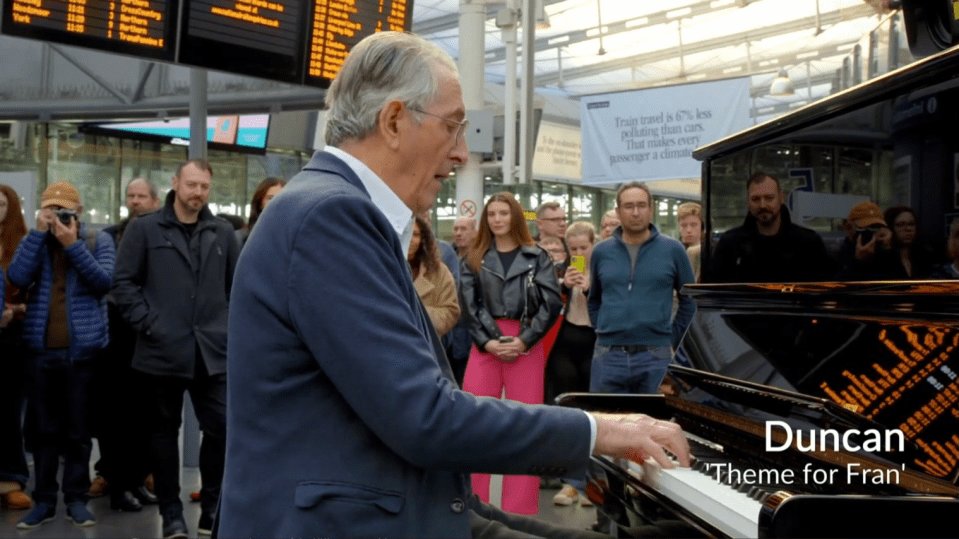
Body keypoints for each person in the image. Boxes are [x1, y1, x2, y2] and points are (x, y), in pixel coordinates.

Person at [218, 31, 690, 539]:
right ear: (395, 120)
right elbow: (426, 419)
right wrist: (603, 430)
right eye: (454, 127)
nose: (463, 153)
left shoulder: (331, 208)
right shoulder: (331, 215)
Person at [112, 158, 240, 538]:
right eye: (191, 185)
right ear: (175, 184)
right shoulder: (145, 229)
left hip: (212, 352)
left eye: (204, 186)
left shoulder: (221, 233)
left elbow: (236, 290)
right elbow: (123, 284)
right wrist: (151, 324)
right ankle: (171, 512)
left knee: (223, 428)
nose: (197, 193)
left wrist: (226, 328)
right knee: (163, 434)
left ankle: (212, 507)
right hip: (160, 351)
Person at [8, 181, 115, 529]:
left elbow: (103, 282)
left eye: (64, 211)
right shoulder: (35, 241)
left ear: (79, 212)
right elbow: (17, 278)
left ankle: (76, 499)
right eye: (51, 210)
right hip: (41, 352)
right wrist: (39, 234)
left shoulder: (99, 240)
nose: (58, 217)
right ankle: (43, 501)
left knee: (78, 433)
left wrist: (72, 245)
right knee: (43, 433)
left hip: (82, 353)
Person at [460, 192, 563, 515]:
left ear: (515, 217)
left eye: (504, 213)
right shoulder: (473, 257)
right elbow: (468, 305)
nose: (498, 219)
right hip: (484, 346)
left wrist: (525, 340)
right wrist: (489, 341)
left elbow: (552, 304)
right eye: (492, 214)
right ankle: (473, 505)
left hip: (526, 344)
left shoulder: (538, 256)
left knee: (526, 427)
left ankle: (520, 512)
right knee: (474, 426)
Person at [89, 178, 161, 509]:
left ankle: (137, 479)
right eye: (130, 196)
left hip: (150, 335)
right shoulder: (108, 237)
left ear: (155, 200)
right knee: (115, 415)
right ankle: (118, 484)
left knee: (145, 415)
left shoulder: (162, 234)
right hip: (116, 333)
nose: (135, 201)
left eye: (141, 196)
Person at [588, 182, 695, 395]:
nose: (635, 212)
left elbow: (689, 301)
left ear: (651, 209)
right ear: (618, 211)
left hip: (656, 355)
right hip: (608, 354)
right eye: (628, 206)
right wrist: (604, 327)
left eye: (641, 205)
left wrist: (670, 338)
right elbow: (594, 299)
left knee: (657, 423)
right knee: (608, 421)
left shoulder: (673, 250)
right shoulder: (601, 251)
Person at [546, 222, 598, 508]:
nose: (578, 253)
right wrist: (563, 286)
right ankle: (569, 481)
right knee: (566, 407)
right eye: (574, 248)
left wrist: (589, 288)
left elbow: (607, 304)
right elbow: (547, 303)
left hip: (593, 339)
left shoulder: (602, 269)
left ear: (594, 245)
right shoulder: (560, 270)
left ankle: (591, 481)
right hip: (565, 341)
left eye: (584, 248)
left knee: (593, 408)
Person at [709, 172, 836, 283]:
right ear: (748, 201)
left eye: (769, 198)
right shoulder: (730, 244)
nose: (763, 205)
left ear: (781, 198)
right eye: (756, 199)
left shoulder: (808, 242)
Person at [0, 184, 31, 512]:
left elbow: (36, 294)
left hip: (10, 340)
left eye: (2, 204)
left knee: (8, 413)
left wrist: (14, 312)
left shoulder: (22, 245)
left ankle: (10, 479)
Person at [409, 214, 460, 337]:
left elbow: (451, 313)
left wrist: (415, 312)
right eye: (405, 233)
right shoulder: (382, 266)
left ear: (423, 239)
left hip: (426, 344)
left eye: (415, 235)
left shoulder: (439, 271)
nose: (410, 239)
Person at [836, 201, 907, 281]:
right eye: (864, 228)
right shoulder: (841, 253)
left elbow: (903, 285)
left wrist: (889, 250)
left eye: (876, 227)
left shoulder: (883, 251)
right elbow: (837, 286)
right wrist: (858, 260)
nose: (870, 233)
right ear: (849, 228)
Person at [884, 206, 936, 279]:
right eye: (901, 225)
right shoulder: (882, 260)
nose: (908, 229)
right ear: (890, 228)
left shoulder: (925, 256)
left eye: (911, 224)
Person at [237, 177, 285, 248]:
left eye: (281, 198)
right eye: (270, 198)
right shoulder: (241, 238)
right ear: (260, 203)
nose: (276, 202)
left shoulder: (296, 236)